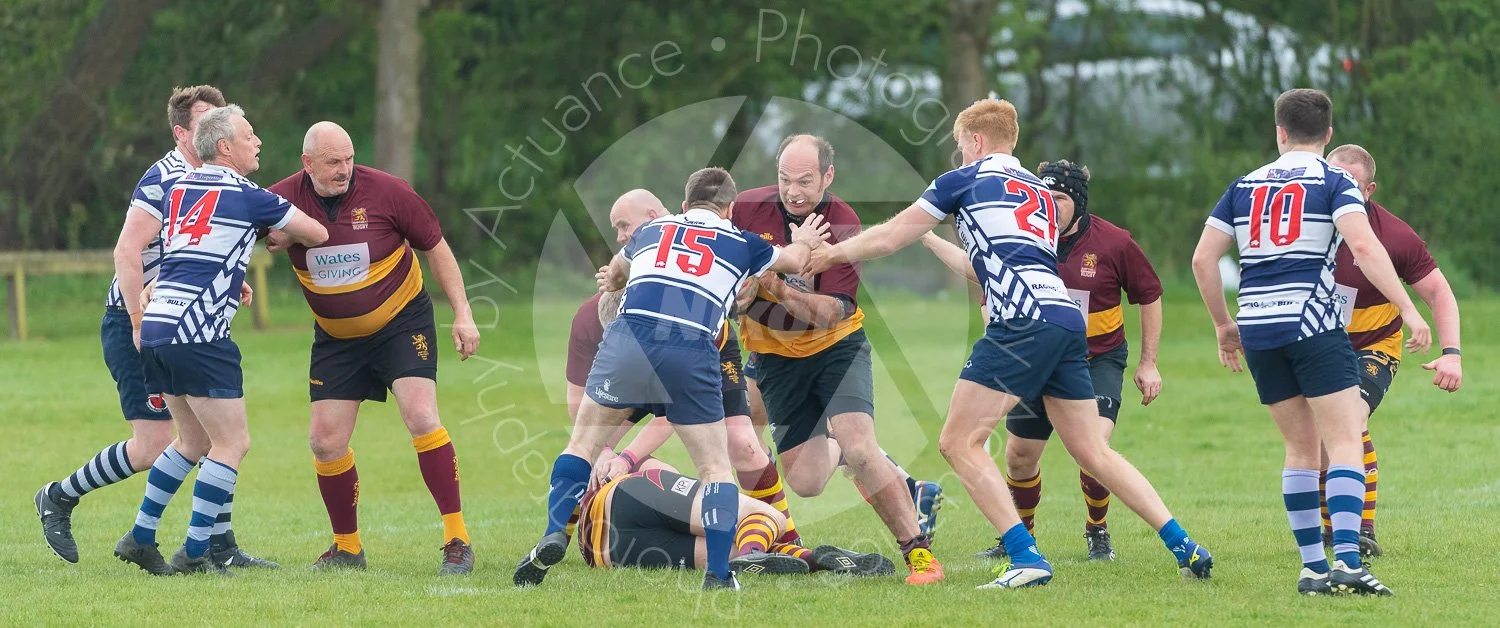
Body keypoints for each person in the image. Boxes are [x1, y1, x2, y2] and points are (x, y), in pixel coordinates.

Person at [810, 98, 1213, 589]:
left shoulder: (965, 180)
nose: (959, 155)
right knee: (1093, 451)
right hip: (1066, 321)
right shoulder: (1040, 195)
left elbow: (891, 236)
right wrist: (938, 243)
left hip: (1021, 323)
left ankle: (1025, 556)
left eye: (961, 147)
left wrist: (832, 253)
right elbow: (994, 262)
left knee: (958, 442)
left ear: (976, 142)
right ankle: (1183, 543)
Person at [515, 167, 828, 591]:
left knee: (581, 445)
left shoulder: (654, 229)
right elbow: (794, 261)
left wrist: (615, 274)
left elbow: (618, 271)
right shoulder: (741, 241)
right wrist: (804, 242)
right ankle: (718, 575)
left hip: (628, 338)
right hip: (690, 345)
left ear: (683, 205)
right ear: (729, 209)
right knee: (715, 468)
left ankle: (554, 534)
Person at [1190, 89, 1430, 596]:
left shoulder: (1243, 185)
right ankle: (1347, 561)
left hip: (1257, 329)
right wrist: (1408, 309)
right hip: (1312, 324)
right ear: (1328, 135)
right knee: (1342, 442)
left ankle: (1311, 570)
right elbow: (1363, 245)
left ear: (1278, 132)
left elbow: (1202, 260)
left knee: (1300, 450)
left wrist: (1222, 324)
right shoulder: (1335, 178)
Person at [34, 86, 274, 571]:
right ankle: (58, 496)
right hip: (136, 322)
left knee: (213, 432)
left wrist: (231, 283)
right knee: (154, 447)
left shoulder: (215, 179)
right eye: (207, 121)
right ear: (182, 132)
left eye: (222, 119)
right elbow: (127, 252)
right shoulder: (164, 177)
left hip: (182, 323)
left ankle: (218, 545)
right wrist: (140, 322)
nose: (217, 129)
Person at [117, 105, 328, 575]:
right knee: (232, 443)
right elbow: (316, 232)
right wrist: (280, 235)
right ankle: (194, 552)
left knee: (191, 440)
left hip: (157, 326)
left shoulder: (178, 188)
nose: (259, 142)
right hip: (199, 332)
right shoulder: (249, 194)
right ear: (226, 147)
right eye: (250, 135)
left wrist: (234, 277)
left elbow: (192, 252)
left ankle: (140, 537)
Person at [265, 121, 482, 575]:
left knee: (421, 416)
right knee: (324, 442)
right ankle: (347, 549)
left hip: (401, 323)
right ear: (307, 164)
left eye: (349, 159)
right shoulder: (279, 199)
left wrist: (462, 313)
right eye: (332, 162)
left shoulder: (388, 192)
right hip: (337, 339)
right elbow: (236, 241)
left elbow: (437, 247)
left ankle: (457, 540)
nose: (344, 169)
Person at [923, 159, 1164, 562]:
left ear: (1079, 203)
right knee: (1018, 456)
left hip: (1097, 358)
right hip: (1035, 355)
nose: (1051, 205)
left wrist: (1148, 362)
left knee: (1094, 447)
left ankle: (1097, 529)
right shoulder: (1025, 237)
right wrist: (929, 239)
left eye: (1060, 199)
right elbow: (983, 275)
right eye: (1045, 197)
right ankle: (1020, 538)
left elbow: (1150, 294)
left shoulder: (1114, 242)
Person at [733, 134, 944, 585]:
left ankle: (919, 555)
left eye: (806, 181)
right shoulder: (746, 210)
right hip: (773, 359)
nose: (794, 191)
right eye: (785, 179)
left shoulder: (842, 221)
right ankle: (855, 460)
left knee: (861, 448)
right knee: (807, 482)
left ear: (828, 176)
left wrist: (778, 285)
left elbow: (828, 314)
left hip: (836, 348)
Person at [559, 191, 803, 547]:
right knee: (589, 450)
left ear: (655, 216)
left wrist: (627, 457)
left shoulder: (691, 262)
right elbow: (577, 403)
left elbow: (675, 410)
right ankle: (561, 535)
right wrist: (609, 455)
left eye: (624, 226)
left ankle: (786, 540)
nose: (621, 236)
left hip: (698, 350)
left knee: (743, 443)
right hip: (631, 360)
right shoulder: (592, 313)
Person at [1317, 144, 1463, 557]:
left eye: (1351, 183)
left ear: (1370, 190)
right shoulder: (1307, 227)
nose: (1339, 190)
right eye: (1333, 180)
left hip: (1374, 346)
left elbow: (1439, 292)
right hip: (1318, 343)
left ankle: (1361, 529)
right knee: (1316, 437)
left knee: (1349, 418)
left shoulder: (1392, 235)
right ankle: (1331, 529)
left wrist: (1451, 352)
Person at [576, 458, 891, 577]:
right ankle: (755, 555)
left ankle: (813, 560)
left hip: (607, 552)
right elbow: (654, 469)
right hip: (627, 494)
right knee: (765, 515)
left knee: (730, 550)